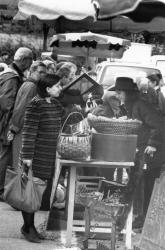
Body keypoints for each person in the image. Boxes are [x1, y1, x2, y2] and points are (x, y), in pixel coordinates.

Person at [113, 77, 165, 229]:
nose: (117, 95)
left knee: (146, 186)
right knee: (139, 185)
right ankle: (140, 217)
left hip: (151, 152)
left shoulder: (140, 105)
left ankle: (145, 219)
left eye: (119, 92)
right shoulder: (128, 106)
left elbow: (159, 124)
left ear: (127, 93)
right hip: (139, 151)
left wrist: (153, 144)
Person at [20, 73, 65, 243]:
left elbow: (64, 115)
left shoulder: (54, 103)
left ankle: (30, 226)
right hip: (36, 156)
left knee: (39, 194)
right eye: (58, 86)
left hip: (50, 156)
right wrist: (27, 156)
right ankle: (27, 227)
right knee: (32, 192)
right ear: (48, 88)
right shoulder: (35, 105)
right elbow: (29, 131)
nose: (60, 88)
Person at [0, 47, 33, 201]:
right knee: (5, 156)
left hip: (6, 120)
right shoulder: (12, 77)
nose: (30, 64)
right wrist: (18, 113)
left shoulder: (11, 74)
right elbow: (7, 103)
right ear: (25, 60)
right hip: (6, 122)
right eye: (30, 60)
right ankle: (1, 189)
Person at [9, 60, 46, 170]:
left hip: (21, 130)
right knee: (20, 168)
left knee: (20, 167)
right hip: (22, 131)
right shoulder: (31, 86)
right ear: (32, 71)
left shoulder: (28, 84)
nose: (43, 75)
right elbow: (22, 109)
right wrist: (14, 129)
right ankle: (17, 188)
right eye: (41, 72)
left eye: (45, 73)